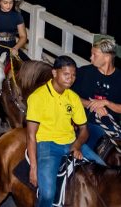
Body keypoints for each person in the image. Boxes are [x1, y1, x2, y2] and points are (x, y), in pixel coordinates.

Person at [26, 56, 106, 207]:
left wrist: (76, 145)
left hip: (71, 142)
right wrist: (33, 168)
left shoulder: (73, 97)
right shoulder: (37, 97)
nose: (71, 79)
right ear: (54, 73)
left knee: (104, 171)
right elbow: (30, 136)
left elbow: (84, 130)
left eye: (74, 75)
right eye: (66, 74)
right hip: (48, 145)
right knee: (48, 193)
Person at [72, 38, 121, 150]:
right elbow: (70, 96)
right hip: (87, 125)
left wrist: (106, 103)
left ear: (107, 57)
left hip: (112, 128)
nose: (91, 58)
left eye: (95, 55)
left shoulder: (119, 78)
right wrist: (91, 104)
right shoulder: (84, 73)